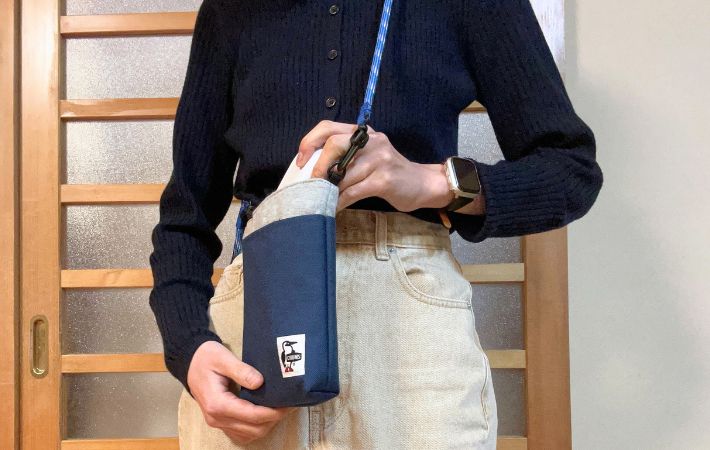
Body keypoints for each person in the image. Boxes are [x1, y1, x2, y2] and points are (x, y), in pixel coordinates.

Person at [148, 0, 604, 448]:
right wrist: (190, 348)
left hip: (411, 341)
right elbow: (185, 218)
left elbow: (571, 172)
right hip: (254, 331)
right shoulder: (232, 10)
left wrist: (434, 182)